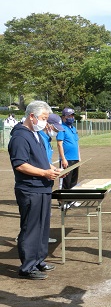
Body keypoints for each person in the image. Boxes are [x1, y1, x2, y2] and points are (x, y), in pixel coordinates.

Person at [8, 101, 61, 280]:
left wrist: (50, 170)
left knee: (42, 226)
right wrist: (44, 172)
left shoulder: (36, 134)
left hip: (42, 187)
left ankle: (39, 259)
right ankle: (27, 266)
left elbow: (39, 159)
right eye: (43, 118)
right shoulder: (20, 137)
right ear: (32, 116)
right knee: (30, 227)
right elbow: (20, 164)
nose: (45, 123)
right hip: (30, 189)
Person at [39, 113, 65, 244]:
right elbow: (37, 162)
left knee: (45, 212)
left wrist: (55, 170)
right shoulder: (39, 138)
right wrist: (49, 171)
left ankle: (43, 236)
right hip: (39, 181)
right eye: (55, 129)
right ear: (47, 125)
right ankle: (26, 236)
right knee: (36, 213)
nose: (56, 132)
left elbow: (45, 161)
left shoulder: (47, 139)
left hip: (47, 180)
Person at [56, 107, 80, 190]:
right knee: (65, 181)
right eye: (69, 116)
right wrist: (63, 159)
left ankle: (71, 200)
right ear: (63, 117)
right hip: (67, 159)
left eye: (72, 116)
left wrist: (79, 157)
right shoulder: (61, 128)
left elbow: (76, 143)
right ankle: (63, 201)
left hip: (75, 158)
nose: (71, 118)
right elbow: (59, 144)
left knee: (73, 180)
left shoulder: (73, 128)